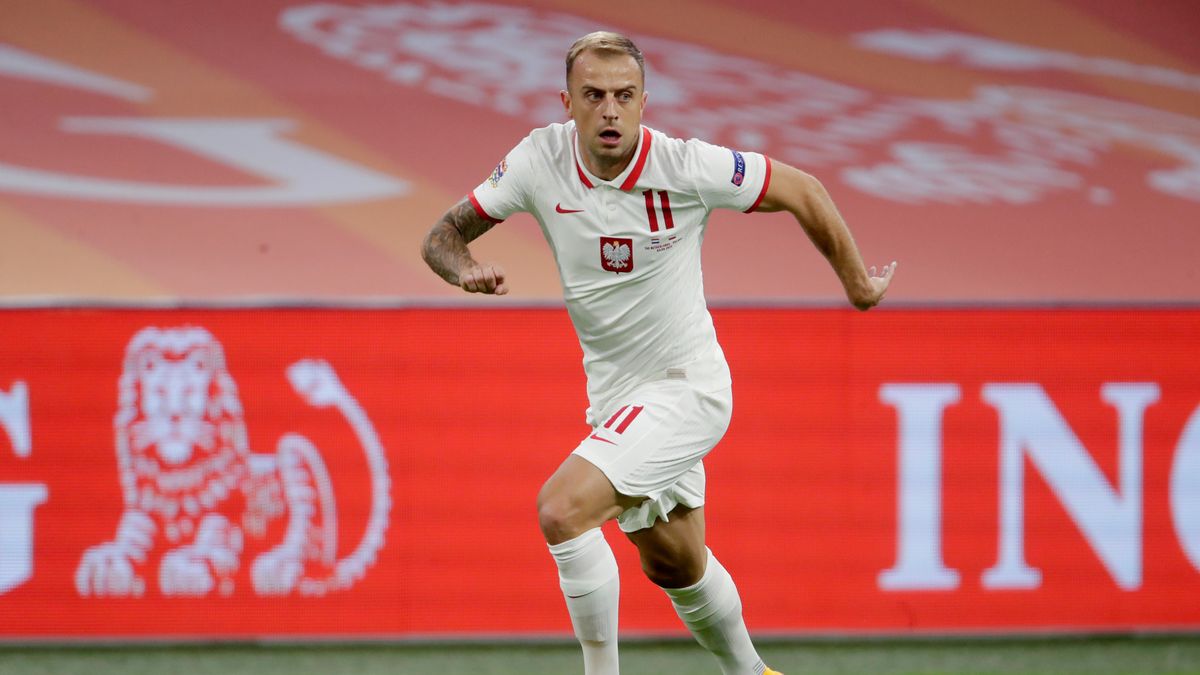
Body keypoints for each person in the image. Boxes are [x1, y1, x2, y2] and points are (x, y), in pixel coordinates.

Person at [421, 31, 895, 675]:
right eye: (594, 95)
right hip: (617, 399)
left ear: (645, 101)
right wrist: (464, 268)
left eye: (624, 95)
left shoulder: (687, 166)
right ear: (568, 102)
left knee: (561, 511)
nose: (609, 110)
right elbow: (443, 235)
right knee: (674, 562)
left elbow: (803, 190)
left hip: (687, 386)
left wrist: (858, 285)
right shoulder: (539, 159)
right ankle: (755, 673)